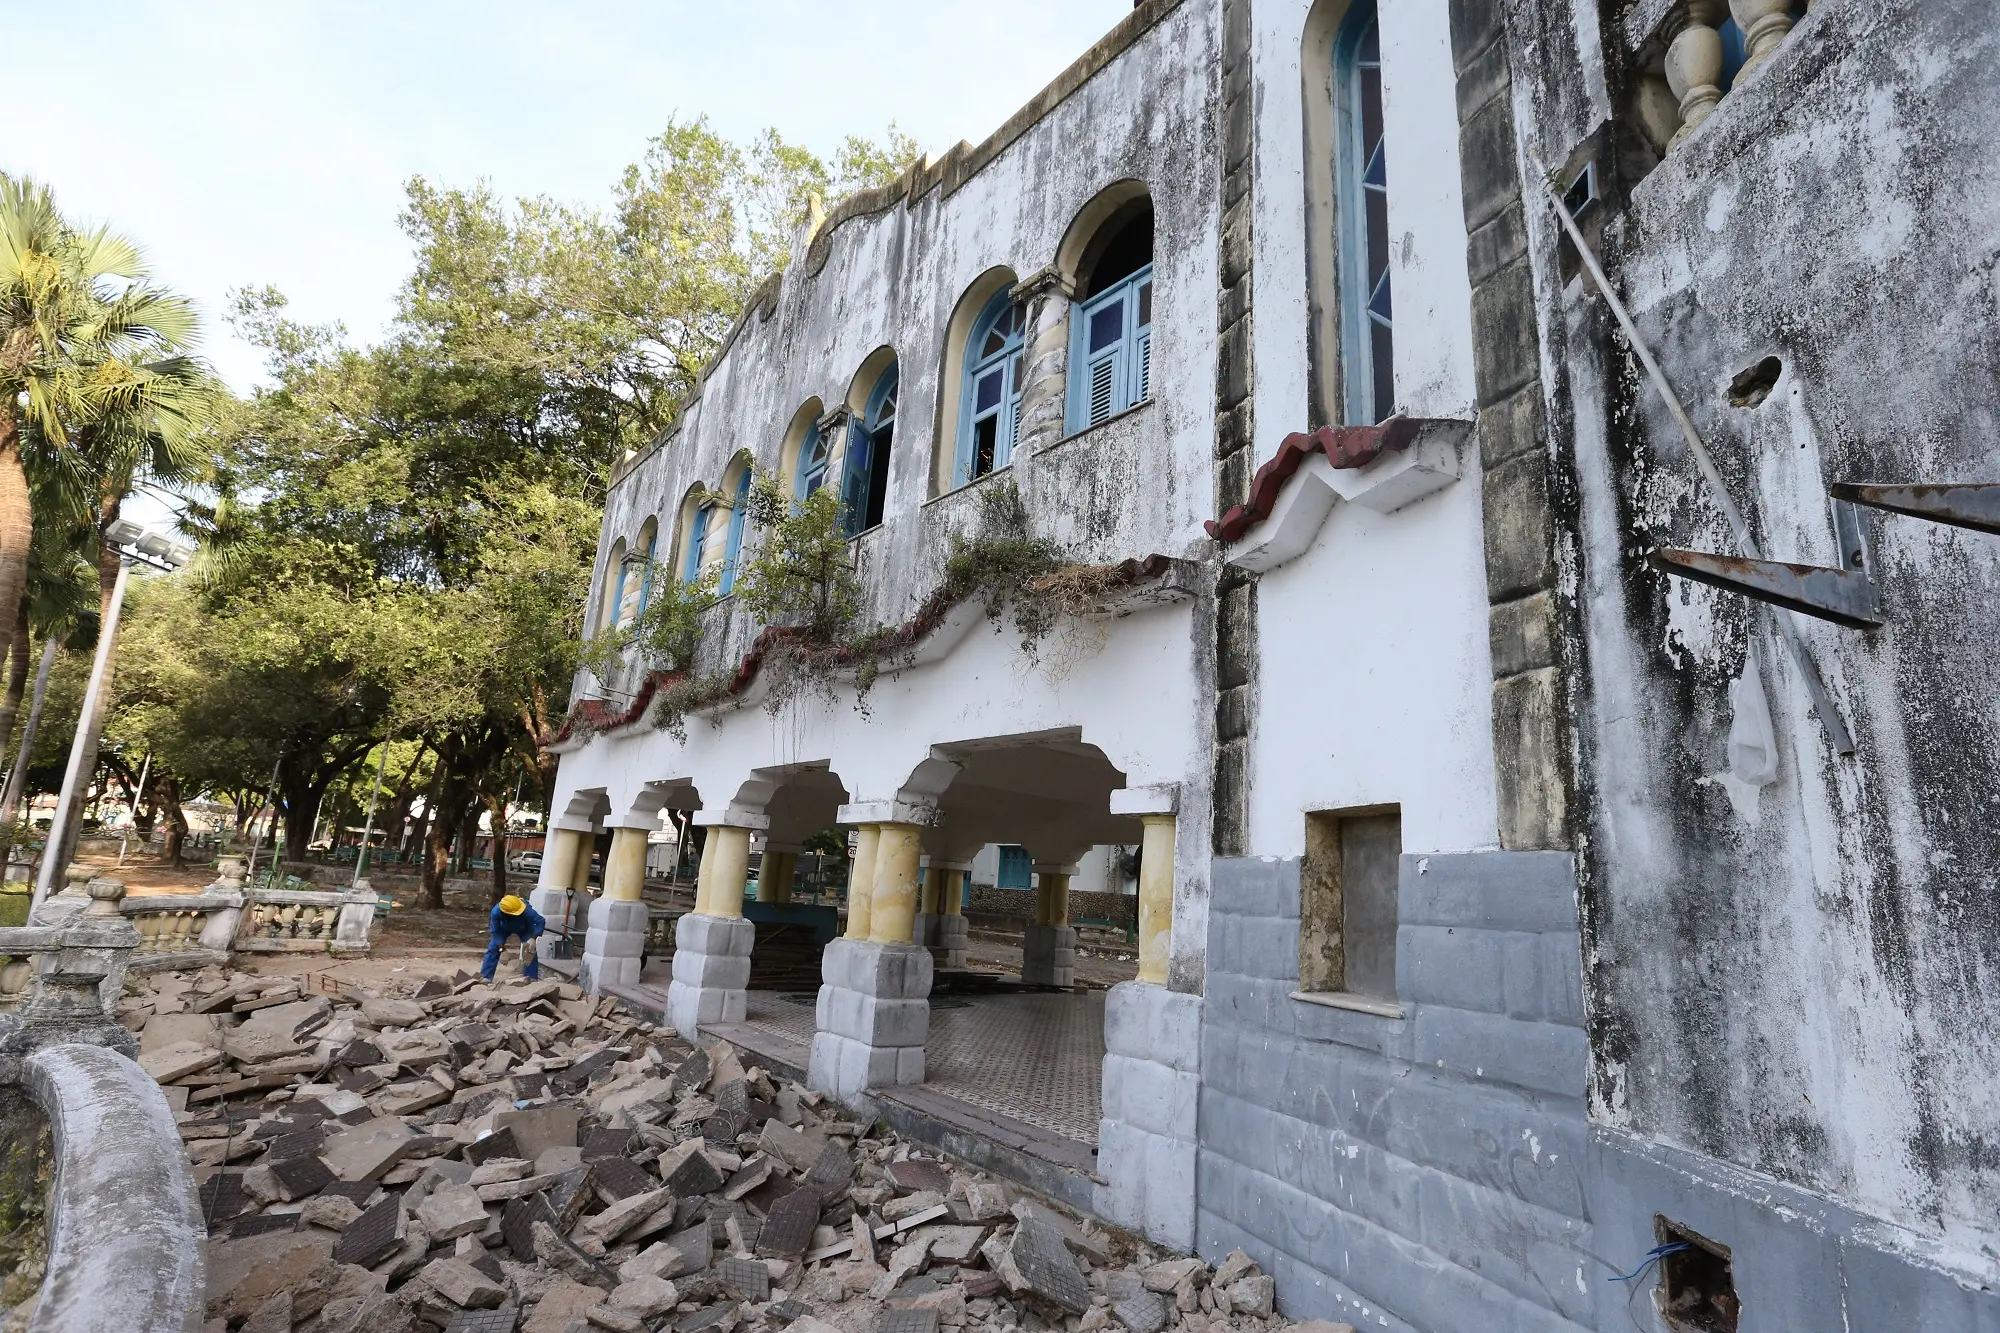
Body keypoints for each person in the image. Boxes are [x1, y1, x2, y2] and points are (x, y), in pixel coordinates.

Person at [483, 894, 546, 982]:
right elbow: (496, 932)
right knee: (493, 948)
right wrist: (502, 949)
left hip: (524, 927)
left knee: (529, 950)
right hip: (503, 928)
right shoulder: (496, 912)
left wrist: (533, 939)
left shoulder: (526, 909)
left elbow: (540, 921)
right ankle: (485, 977)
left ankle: (531, 978)